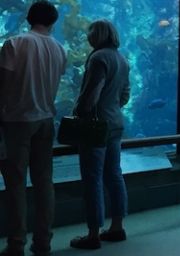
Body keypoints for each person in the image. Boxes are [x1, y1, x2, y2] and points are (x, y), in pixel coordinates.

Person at [0, 0, 67, 256]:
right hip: (46, 121)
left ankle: (16, 243)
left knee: (16, 184)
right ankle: (43, 242)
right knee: (44, 182)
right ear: (53, 21)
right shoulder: (60, 50)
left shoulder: (15, 44)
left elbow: (3, 85)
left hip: (16, 121)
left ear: (29, 18)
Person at [69, 20, 131, 250]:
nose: (88, 37)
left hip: (96, 126)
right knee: (114, 175)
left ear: (98, 35)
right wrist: (112, 107)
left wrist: (81, 111)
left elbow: (92, 93)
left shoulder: (98, 58)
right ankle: (117, 227)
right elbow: (125, 95)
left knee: (92, 179)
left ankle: (93, 233)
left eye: (90, 33)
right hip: (115, 123)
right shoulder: (122, 59)